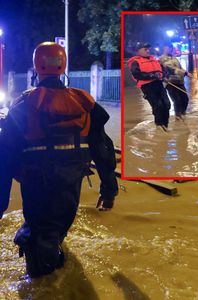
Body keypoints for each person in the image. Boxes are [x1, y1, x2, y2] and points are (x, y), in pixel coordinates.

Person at [0, 42, 118, 278]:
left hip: (37, 181)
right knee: (57, 228)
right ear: (63, 67)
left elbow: (5, 156)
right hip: (71, 179)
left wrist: (1, 203)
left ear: (36, 68)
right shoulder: (84, 104)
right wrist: (108, 190)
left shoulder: (24, 105)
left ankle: (43, 281)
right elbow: (102, 149)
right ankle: (53, 268)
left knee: (39, 232)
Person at [127, 42, 171, 131]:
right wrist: (153, 75)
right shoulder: (135, 62)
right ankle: (159, 125)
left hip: (159, 84)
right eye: (145, 49)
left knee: (166, 104)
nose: (148, 51)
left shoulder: (155, 60)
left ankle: (165, 125)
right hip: (147, 86)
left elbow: (163, 70)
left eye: (148, 49)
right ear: (139, 51)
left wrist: (164, 75)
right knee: (157, 105)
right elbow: (137, 74)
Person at [160, 43, 192, 121]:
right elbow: (170, 68)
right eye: (168, 48)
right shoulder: (162, 59)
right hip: (170, 82)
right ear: (164, 48)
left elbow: (180, 67)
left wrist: (186, 72)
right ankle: (178, 117)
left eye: (171, 48)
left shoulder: (174, 58)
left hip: (179, 81)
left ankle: (182, 113)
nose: (170, 49)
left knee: (185, 99)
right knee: (176, 100)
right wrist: (185, 73)